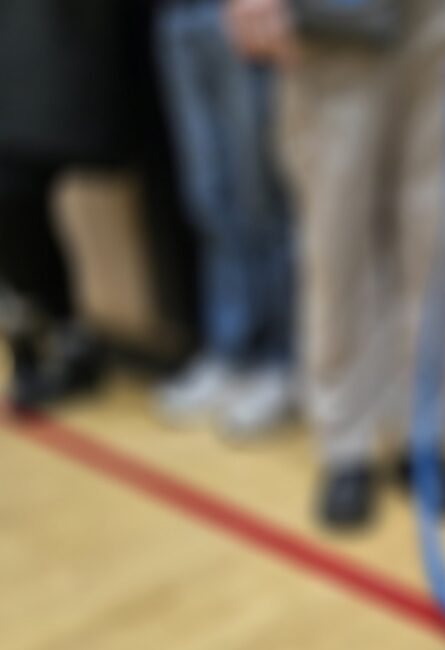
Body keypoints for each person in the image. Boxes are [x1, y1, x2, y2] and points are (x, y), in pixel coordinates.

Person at [227, 0, 445, 526]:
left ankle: (424, 438)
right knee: (335, 243)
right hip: (332, 23)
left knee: (436, 242)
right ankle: (346, 446)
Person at [154, 0, 294, 437]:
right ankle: (231, 352)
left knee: (261, 200)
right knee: (209, 198)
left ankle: (279, 363)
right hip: (179, 14)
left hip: (244, 14)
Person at [0, 0, 131, 410]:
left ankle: (55, 333)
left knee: (14, 189)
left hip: (53, 45)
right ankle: (44, 333)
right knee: (14, 198)